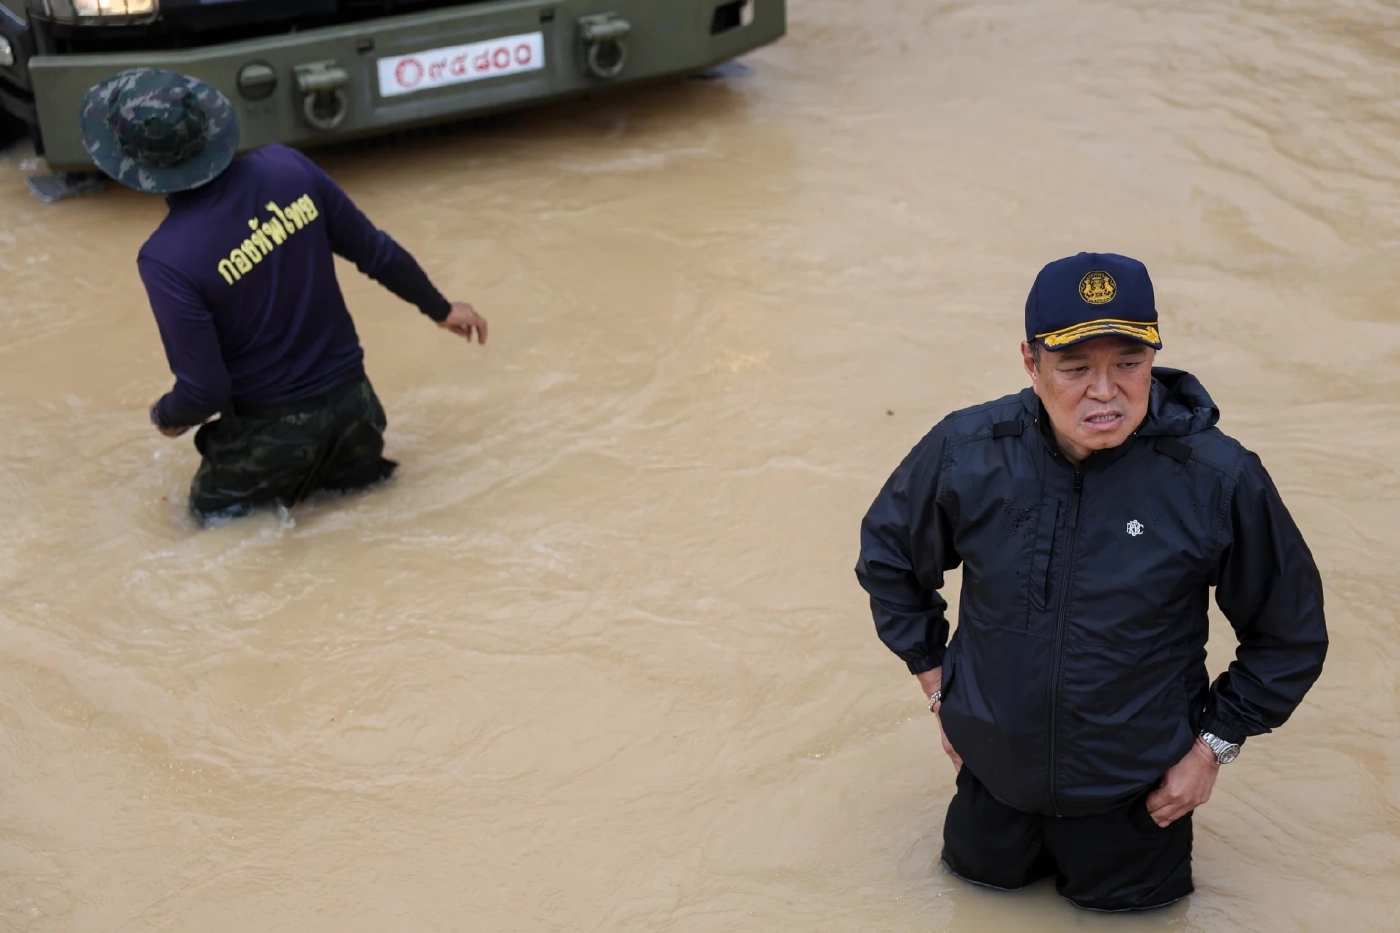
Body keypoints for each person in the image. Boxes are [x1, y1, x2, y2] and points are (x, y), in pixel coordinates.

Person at [855, 252, 1327, 912]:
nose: (1105, 391)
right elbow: (889, 558)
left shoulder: (1216, 478)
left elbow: (1289, 634)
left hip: (1138, 808)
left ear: (1153, 356)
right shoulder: (969, 452)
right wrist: (939, 688)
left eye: (1128, 364)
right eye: (1075, 368)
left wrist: (1212, 749)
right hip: (989, 791)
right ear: (1031, 362)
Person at [78, 68, 489, 524]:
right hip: (357, 413)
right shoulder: (290, 168)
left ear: (136, 168)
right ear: (211, 125)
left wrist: (166, 415)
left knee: (199, 533)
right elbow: (376, 252)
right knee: (363, 515)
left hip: (268, 441)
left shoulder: (166, 259)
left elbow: (205, 390)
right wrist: (441, 308)